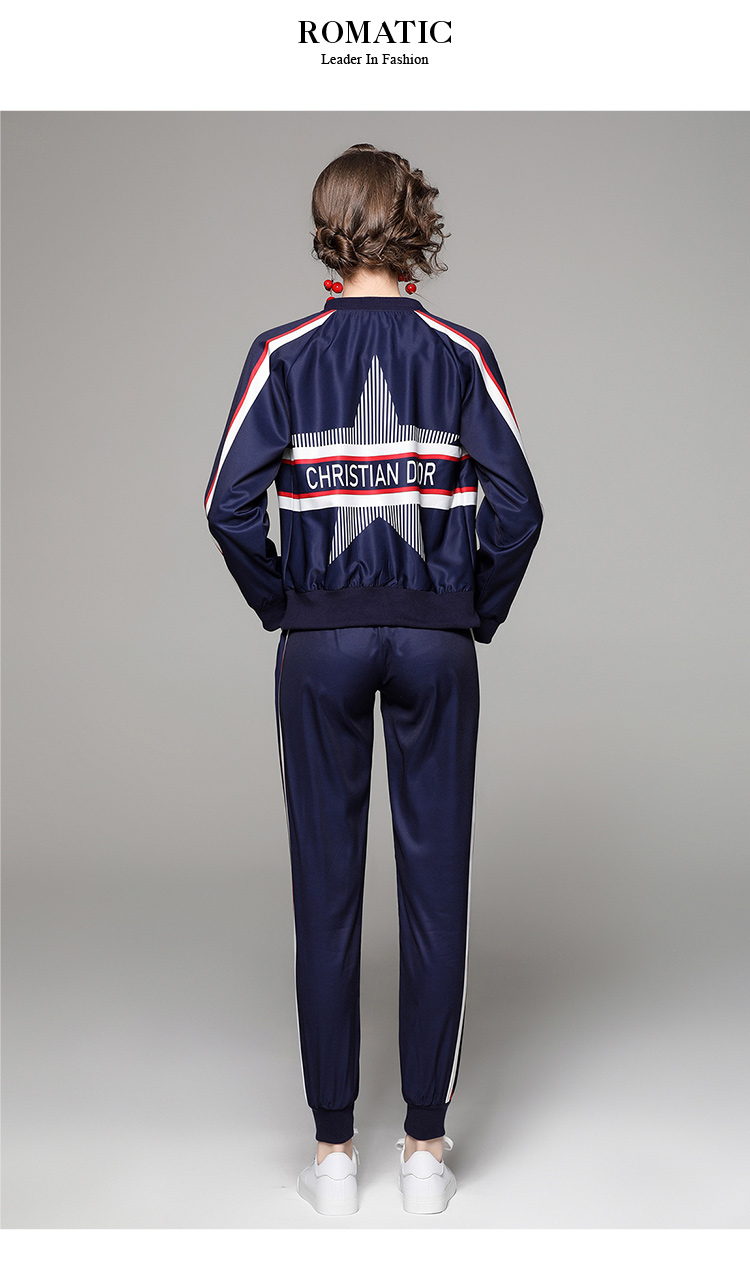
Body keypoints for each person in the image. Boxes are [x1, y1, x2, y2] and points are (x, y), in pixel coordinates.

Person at [204, 143, 543, 1216]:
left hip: (322, 645)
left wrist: (289, 604)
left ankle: (334, 1155)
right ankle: (427, 1151)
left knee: (326, 891)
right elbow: (520, 509)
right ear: (417, 228)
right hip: (437, 641)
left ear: (328, 229)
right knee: (437, 888)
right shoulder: (461, 352)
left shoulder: (281, 353)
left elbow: (225, 505)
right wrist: (470, 609)